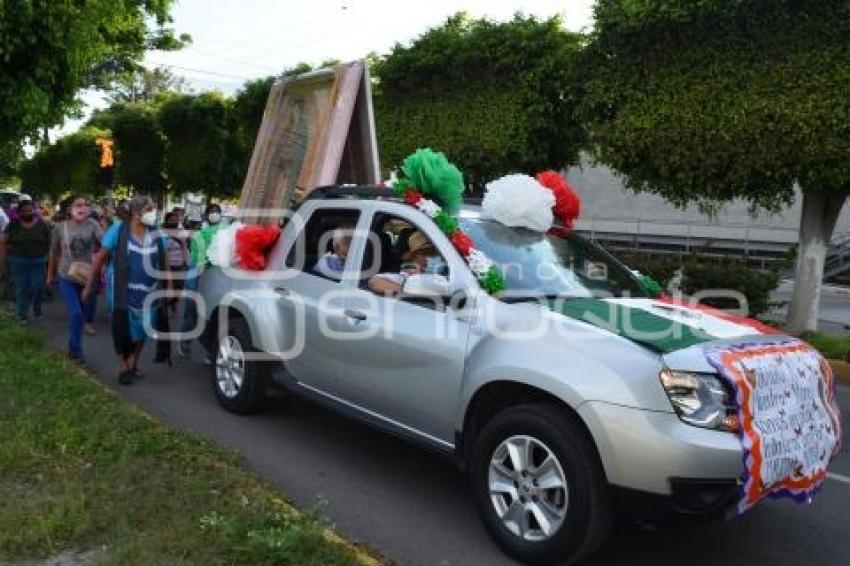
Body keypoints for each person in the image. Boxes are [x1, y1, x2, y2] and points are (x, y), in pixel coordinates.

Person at [85, 195, 170, 385]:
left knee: (143, 330)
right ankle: (125, 364)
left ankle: (133, 361)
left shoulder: (157, 233)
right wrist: (89, 286)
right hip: (122, 293)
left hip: (150, 292)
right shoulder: (118, 230)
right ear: (136, 213)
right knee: (126, 330)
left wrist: (170, 287)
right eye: (149, 209)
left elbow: (165, 262)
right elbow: (100, 258)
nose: (153, 213)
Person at [47, 196, 101, 363]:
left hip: (86, 276)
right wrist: (50, 274)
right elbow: (53, 252)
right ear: (70, 209)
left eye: (86, 205)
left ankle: (75, 347)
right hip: (66, 275)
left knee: (81, 314)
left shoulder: (92, 225)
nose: (83, 208)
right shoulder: (59, 228)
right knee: (76, 313)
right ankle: (75, 350)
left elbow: (105, 244)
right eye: (78, 205)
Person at [179, 204, 222, 357]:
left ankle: (212, 353)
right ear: (206, 216)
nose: (215, 214)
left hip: (218, 281)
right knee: (192, 313)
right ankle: (185, 341)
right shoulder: (200, 235)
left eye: (217, 212)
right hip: (198, 279)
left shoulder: (226, 233)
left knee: (214, 318)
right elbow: (198, 261)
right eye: (212, 212)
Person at [3, 199, 51, 324]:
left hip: (38, 262)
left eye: (30, 210)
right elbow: (3, 242)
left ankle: (37, 308)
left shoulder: (43, 225)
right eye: (24, 211)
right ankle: (22, 315)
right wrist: (2, 261)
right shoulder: (13, 225)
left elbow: (51, 243)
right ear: (19, 212)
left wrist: (51, 261)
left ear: (34, 211)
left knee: (38, 288)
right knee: (21, 289)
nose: (27, 213)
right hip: (17, 262)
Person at [368, 231, 447, 294]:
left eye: (436, 253)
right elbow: (374, 281)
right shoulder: (408, 275)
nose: (435, 257)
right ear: (416, 256)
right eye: (430, 253)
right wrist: (408, 290)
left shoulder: (439, 275)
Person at [163, 211, 189, 312]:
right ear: (166, 221)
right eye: (171, 220)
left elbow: (184, 248)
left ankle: (175, 303)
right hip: (167, 266)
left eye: (175, 220)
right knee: (167, 286)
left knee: (179, 286)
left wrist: (185, 262)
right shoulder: (161, 233)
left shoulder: (180, 232)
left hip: (179, 265)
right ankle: (167, 303)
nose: (173, 222)